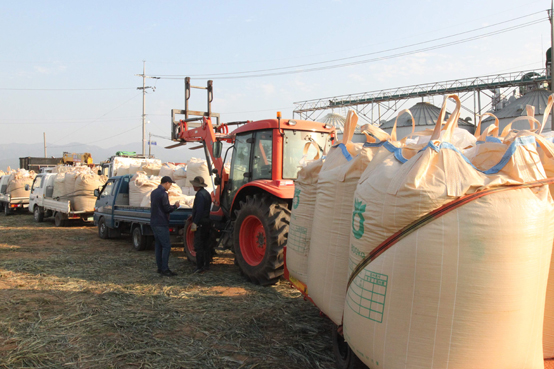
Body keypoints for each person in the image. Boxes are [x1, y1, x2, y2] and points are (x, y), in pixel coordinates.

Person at [151, 176, 180, 277]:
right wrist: (175, 206)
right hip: (161, 222)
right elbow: (167, 209)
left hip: (154, 222)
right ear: (167, 183)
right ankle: (165, 269)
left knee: (158, 246)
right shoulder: (163, 194)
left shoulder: (154, 192)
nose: (170, 186)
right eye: (170, 184)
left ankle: (160, 267)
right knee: (166, 246)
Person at [189, 176, 212, 273]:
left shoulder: (199, 195)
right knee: (206, 244)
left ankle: (199, 266)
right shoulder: (207, 194)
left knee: (199, 245)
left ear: (196, 186)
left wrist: (195, 222)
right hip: (207, 221)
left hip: (201, 222)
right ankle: (206, 265)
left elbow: (199, 210)